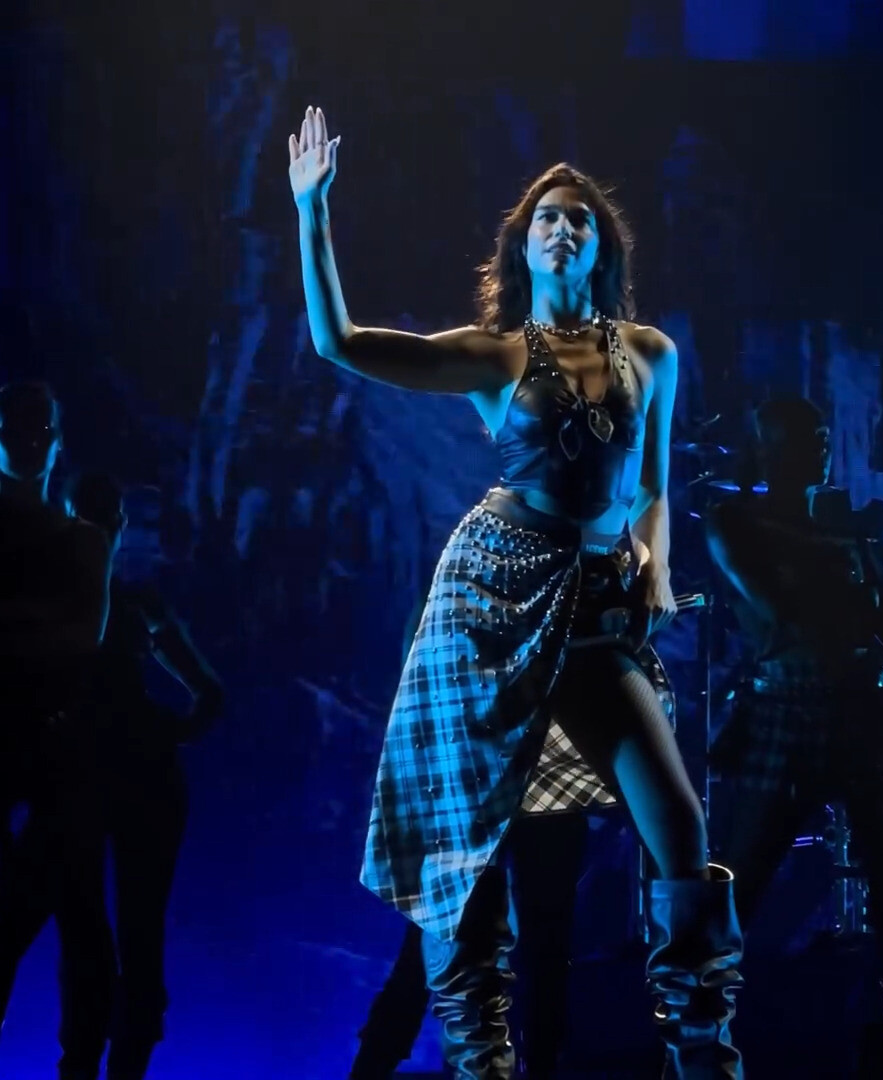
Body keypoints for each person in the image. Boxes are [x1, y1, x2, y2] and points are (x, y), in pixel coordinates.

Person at [289, 105, 742, 1079]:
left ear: (601, 245)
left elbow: (654, 487)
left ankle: (707, 1060)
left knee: (679, 826)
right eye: (546, 217)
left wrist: (656, 563)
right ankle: (477, 1065)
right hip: (491, 602)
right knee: (469, 854)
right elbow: (341, 342)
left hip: (597, 614)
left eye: (579, 218)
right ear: (524, 245)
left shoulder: (651, 354)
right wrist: (311, 211)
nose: (562, 227)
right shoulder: (497, 355)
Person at [706, 395, 883, 1078]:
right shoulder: (735, 522)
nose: (823, 445)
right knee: (739, 889)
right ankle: (694, 1045)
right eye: (805, 435)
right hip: (788, 715)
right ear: (766, 448)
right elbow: (790, 616)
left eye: (822, 433)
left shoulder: (839, 535)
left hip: (858, 716)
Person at [349, 596, 589, 1080]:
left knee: (522, 938)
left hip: (522, 755)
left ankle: (375, 1065)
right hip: (490, 758)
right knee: (498, 937)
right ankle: (377, 1064)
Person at [63, 471, 224, 1080]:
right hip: (119, 773)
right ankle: (111, 1056)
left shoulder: (122, 601)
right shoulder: (129, 602)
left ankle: (97, 1058)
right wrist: (168, 731)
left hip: (105, 774)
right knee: (120, 930)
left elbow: (210, 695)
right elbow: (209, 695)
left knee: (104, 930)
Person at [0, 381, 114, 1080]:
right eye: (15, 426)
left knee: (72, 909)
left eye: (38, 428)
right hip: (43, 742)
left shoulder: (82, 541)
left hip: (52, 749)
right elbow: (75, 637)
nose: (27, 438)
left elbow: (82, 640)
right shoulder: (81, 543)